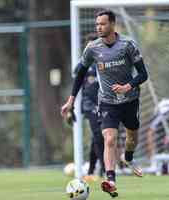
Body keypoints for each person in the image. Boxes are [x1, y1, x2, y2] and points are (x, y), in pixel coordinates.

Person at [61, 9, 148, 197]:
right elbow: (80, 74)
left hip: (130, 100)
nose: (99, 27)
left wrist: (127, 86)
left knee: (131, 139)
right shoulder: (93, 48)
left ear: (112, 24)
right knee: (109, 139)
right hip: (107, 102)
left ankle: (128, 158)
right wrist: (71, 100)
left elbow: (143, 74)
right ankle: (111, 180)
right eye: (97, 24)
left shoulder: (128, 45)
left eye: (102, 24)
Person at [78, 33, 105, 180]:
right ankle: (105, 170)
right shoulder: (83, 64)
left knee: (98, 139)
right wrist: (72, 108)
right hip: (90, 107)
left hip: (106, 105)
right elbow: (79, 88)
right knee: (98, 136)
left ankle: (90, 170)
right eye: (88, 45)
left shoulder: (106, 61)